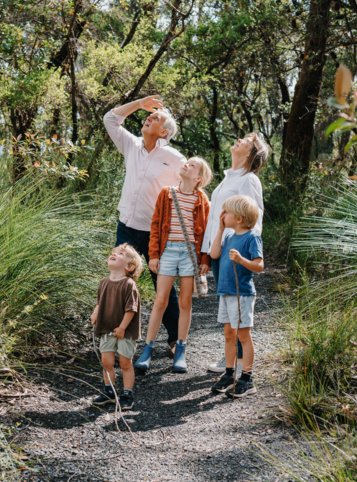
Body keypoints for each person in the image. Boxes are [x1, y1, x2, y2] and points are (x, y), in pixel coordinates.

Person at [103, 96, 186, 355]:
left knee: (163, 285)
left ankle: (175, 340)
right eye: (149, 115)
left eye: (156, 118)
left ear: (164, 132)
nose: (148, 117)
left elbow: (191, 185)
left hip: (155, 233)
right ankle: (118, 337)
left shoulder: (173, 158)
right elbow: (111, 119)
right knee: (119, 282)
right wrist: (139, 104)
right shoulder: (132, 145)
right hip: (126, 226)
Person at [134, 157, 212, 373]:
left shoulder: (202, 199)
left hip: (190, 254)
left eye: (193, 164)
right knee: (161, 300)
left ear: (199, 178)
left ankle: (180, 350)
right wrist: (154, 255)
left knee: (186, 302)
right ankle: (147, 349)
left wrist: (205, 259)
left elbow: (206, 232)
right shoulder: (167, 193)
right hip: (167, 251)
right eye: (187, 161)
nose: (186, 164)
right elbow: (156, 224)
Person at [201, 133, 269, 374]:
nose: (240, 139)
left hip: (234, 252)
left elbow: (254, 219)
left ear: (252, 153)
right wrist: (207, 252)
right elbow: (214, 220)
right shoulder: (228, 179)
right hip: (219, 249)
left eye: (247, 140)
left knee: (236, 309)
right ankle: (232, 360)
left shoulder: (249, 179)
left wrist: (243, 251)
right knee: (227, 308)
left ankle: (240, 364)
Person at [210, 195, 264, 397]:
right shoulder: (229, 236)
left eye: (227, 213)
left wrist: (241, 260)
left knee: (243, 335)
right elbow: (214, 254)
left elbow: (259, 266)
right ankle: (230, 373)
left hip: (241, 295)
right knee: (229, 335)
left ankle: (248, 378)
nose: (223, 215)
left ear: (239, 219)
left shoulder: (251, 238)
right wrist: (221, 228)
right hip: (226, 293)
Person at [91, 243, 143, 410]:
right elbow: (100, 302)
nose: (114, 254)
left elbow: (131, 309)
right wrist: (95, 312)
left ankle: (127, 393)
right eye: (114, 252)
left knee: (125, 363)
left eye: (120, 253)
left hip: (125, 331)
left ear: (129, 266)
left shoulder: (128, 285)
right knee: (107, 361)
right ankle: (109, 391)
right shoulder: (103, 282)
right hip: (106, 327)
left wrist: (122, 327)